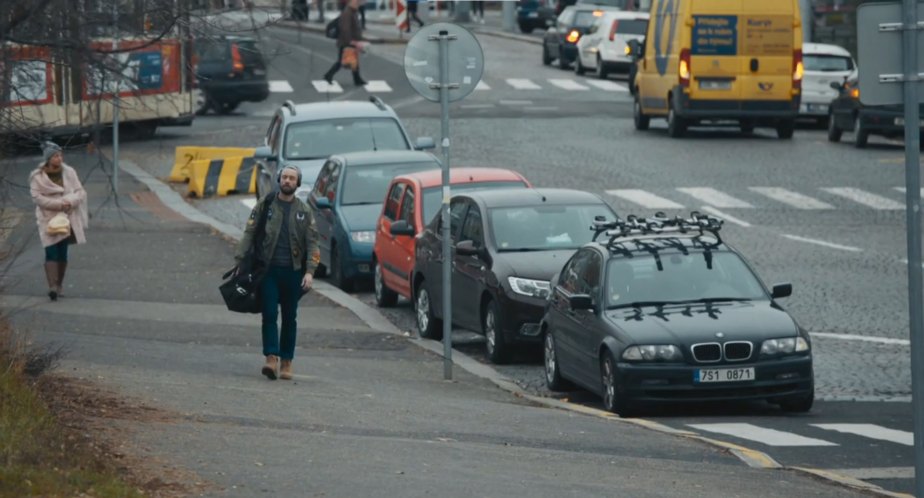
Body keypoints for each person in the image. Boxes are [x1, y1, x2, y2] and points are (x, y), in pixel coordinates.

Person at [235, 165, 320, 381]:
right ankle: (271, 358)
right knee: (270, 313)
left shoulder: (304, 211)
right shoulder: (265, 204)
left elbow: (313, 243)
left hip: (293, 272)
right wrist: (240, 261)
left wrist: (310, 272)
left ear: (297, 183)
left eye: (292, 178)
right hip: (268, 271)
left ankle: (287, 361)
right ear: (279, 179)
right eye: (285, 177)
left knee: (290, 317)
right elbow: (249, 232)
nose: (288, 181)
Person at [29, 142, 88, 301]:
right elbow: (37, 198)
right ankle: (52, 287)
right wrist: (59, 204)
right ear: (48, 158)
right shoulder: (37, 177)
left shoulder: (69, 172)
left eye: (61, 155)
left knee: (62, 251)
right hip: (47, 218)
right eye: (56, 156)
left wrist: (70, 202)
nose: (59, 158)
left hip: (67, 217)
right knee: (50, 250)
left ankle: (59, 285)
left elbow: (80, 192)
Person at [323, 0, 367, 87]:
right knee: (341, 61)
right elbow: (345, 29)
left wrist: (360, 39)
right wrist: (350, 41)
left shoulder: (353, 12)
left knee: (354, 60)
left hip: (350, 40)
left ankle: (357, 79)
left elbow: (355, 28)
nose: (358, 3)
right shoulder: (347, 13)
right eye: (356, 2)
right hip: (346, 41)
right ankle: (328, 75)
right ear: (350, 2)